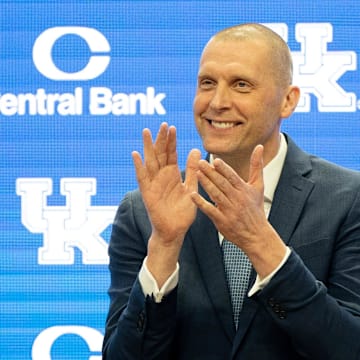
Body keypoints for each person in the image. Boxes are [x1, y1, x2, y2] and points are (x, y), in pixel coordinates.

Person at [102, 23, 360, 359]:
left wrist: (261, 244)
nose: (218, 102)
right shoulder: (143, 212)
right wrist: (164, 247)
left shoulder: (348, 199)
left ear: (287, 101)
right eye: (207, 83)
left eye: (241, 85)